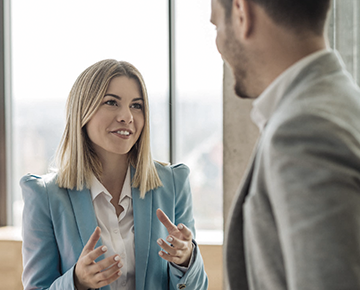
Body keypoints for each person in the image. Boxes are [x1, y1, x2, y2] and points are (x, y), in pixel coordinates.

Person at [20, 59, 208, 290]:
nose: (127, 116)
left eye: (136, 105)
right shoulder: (45, 197)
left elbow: (197, 287)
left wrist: (186, 259)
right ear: (83, 111)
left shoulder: (173, 184)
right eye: (111, 102)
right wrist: (76, 282)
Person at [211, 0, 360, 289]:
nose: (217, 44)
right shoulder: (344, 102)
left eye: (216, 25)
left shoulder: (302, 132)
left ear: (242, 13)